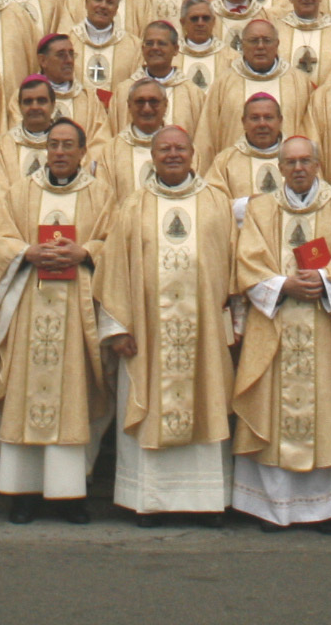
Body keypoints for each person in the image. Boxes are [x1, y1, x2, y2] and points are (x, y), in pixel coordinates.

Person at [96, 122, 235, 521]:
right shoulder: (132, 206)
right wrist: (117, 328)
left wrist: (233, 321)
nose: (173, 155)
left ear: (194, 154)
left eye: (180, 149)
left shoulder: (216, 202)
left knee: (206, 401)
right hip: (148, 335)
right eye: (164, 150)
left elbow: (233, 266)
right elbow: (113, 270)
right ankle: (150, 499)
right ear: (152, 157)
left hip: (205, 333)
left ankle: (206, 501)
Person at [230, 132, 331, 531]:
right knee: (271, 412)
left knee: (325, 411)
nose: (299, 168)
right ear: (280, 168)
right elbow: (247, 261)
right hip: (275, 324)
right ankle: (274, 506)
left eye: (306, 161)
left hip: (324, 323)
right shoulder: (262, 209)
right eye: (291, 163)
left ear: (318, 165)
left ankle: (322, 507)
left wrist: (325, 280)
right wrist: (283, 285)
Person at [0, 114, 109, 522]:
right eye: (53, 145)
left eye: (67, 145)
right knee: (25, 396)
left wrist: (86, 251)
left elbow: (115, 242)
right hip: (29, 307)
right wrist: (27, 253)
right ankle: (23, 493)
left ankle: (69, 495)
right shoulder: (22, 193)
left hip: (76, 315)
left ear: (82, 151)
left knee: (70, 398)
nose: (59, 152)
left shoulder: (101, 195)